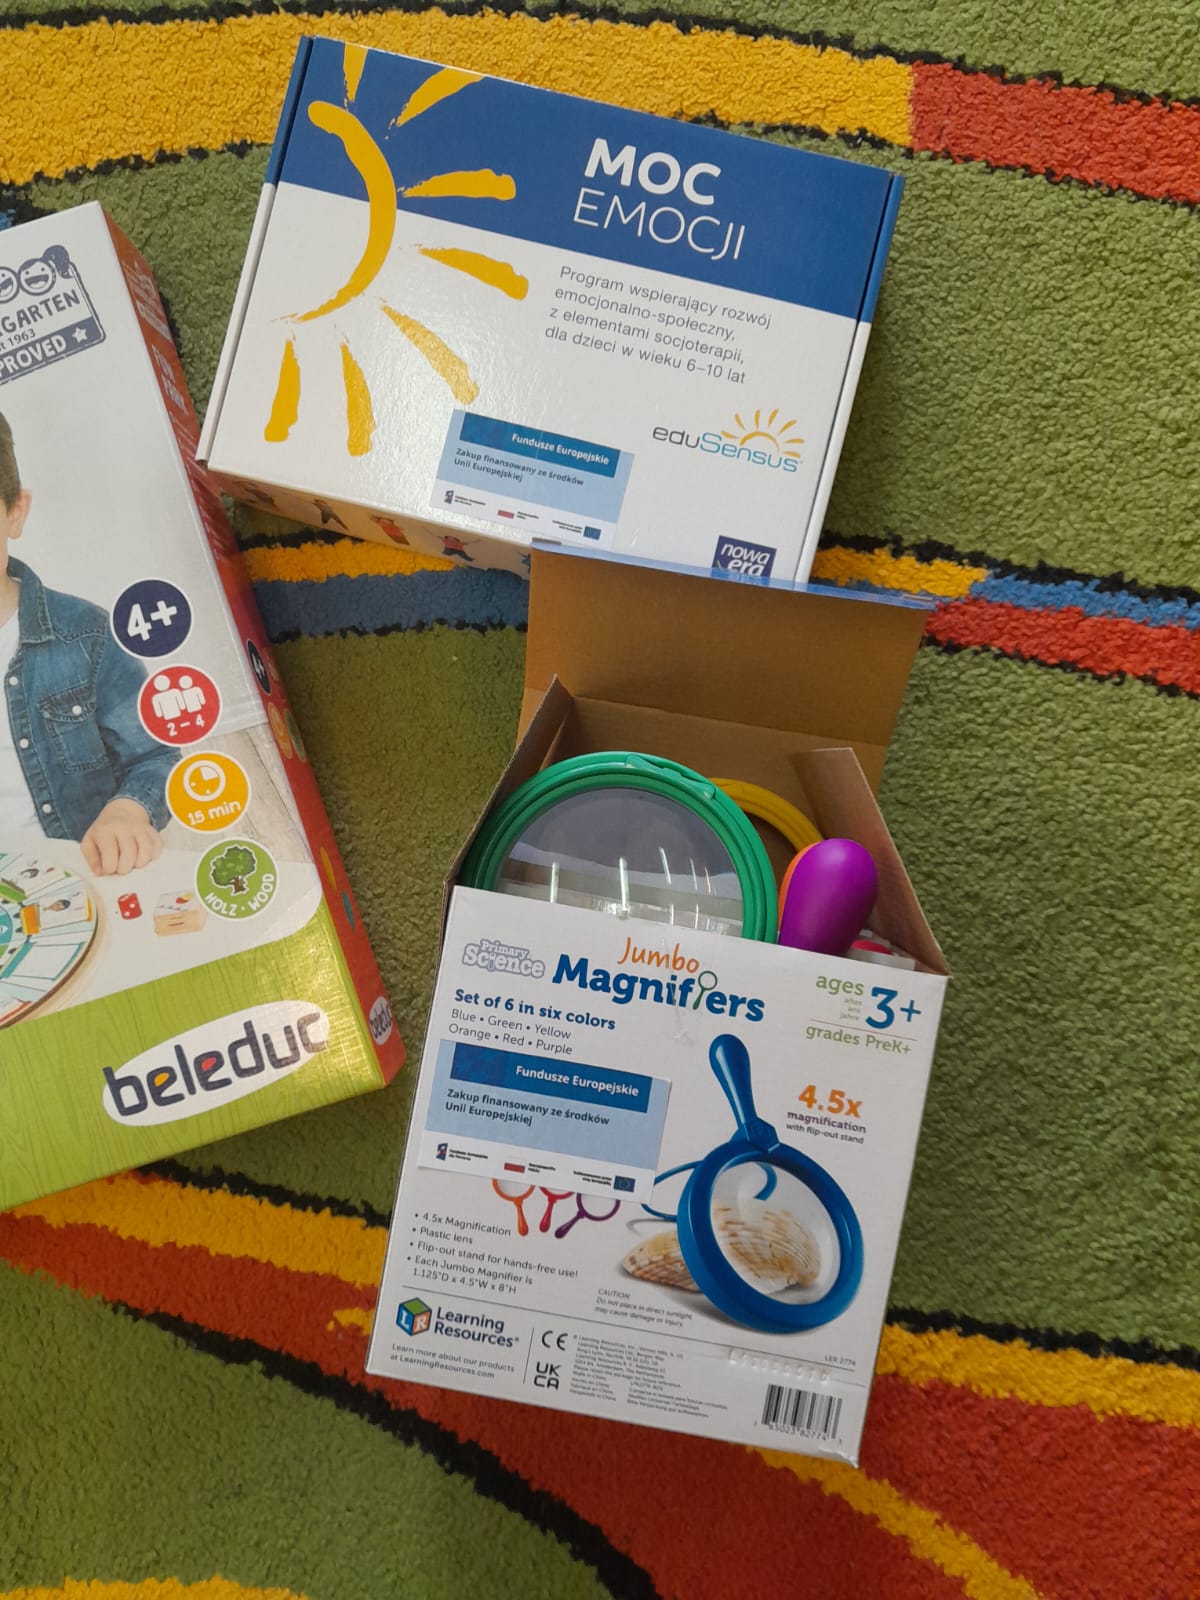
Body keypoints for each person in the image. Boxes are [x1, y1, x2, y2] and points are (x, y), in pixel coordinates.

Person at [0, 411, 177, 874]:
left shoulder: (85, 635)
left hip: (83, 884)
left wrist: (128, 811)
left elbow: (156, 756)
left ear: (16, 512)